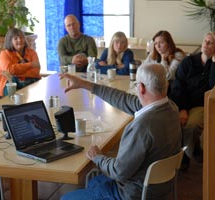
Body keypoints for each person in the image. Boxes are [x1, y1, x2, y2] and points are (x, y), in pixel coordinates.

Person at [59, 63, 182, 200]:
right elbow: (124, 99)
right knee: (94, 182)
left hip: (133, 193)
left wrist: (97, 157)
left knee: (66, 198)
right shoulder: (171, 108)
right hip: (160, 187)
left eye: (136, 85)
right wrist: (84, 84)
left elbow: (119, 171)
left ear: (141, 88)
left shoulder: (143, 126)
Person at [169, 32, 215, 168]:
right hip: (181, 102)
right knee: (170, 123)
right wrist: (182, 109)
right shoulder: (189, 61)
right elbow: (178, 85)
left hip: (201, 105)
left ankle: (187, 155)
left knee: (191, 127)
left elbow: (213, 87)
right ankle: (194, 150)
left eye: (211, 42)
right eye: (205, 41)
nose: (206, 44)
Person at [0, 28, 41, 96]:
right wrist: (30, 65)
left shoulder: (32, 52)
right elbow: (9, 69)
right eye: (16, 38)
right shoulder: (4, 54)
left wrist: (14, 74)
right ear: (10, 41)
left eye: (22, 38)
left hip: (30, 81)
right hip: (9, 83)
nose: (19, 40)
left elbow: (36, 71)